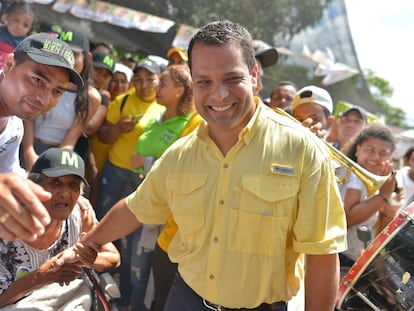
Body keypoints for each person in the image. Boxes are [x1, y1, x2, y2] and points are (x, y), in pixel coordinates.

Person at [74, 20, 347, 311]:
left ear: (255, 76)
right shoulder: (181, 154)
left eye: (232, 79)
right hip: (185, 300)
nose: (218, 95)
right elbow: (135, 207)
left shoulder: (302, 150)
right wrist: (86, 246)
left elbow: (322, 253)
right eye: (204, 82)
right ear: (193, 83)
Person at [0, 147, 120, 308]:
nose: (65, 193)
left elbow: (113, 258)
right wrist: (40, 276)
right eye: (56, 183)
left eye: (73, 185)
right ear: (34, 186)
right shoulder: (7, 224)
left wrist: (88, 259)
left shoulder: (80, 215)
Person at [129, 64, 203, 311]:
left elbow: (179, 167)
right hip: (136, 195)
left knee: (145, 269)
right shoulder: (157, 116)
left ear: (180, 90)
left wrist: (146, 162)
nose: (155, 88)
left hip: (162, 213)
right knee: (133, 261)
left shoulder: (191, 124)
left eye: (162, 84)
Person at [96, 58, 165, 311]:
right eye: (139, 79)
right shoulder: (123, 101)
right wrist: (116, 129)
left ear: (159, 80)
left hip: (142, 180)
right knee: (104, 221)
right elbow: (102, 135)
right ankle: (101, 271)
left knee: (131, 230)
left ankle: (122, 280)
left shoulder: (166, 105)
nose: (144, 84)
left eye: (150, 79)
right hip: (116, 171)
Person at [0, 32, 83, 241]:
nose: (44, 100)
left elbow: (9, 170)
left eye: (57, 91)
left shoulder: (14, 125)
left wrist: (61, 192)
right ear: (9, 65)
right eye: (37, 80)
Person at [21, 29, 99, 171]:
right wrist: (28, 152)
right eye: (62, 52)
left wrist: (50, 166)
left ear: (87, 57)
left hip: (55, 157)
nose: (67, 59)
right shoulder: (42, 80)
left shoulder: (91, 97)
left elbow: (70, 141)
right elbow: (28, 119)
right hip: (22, 145)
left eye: (74, 54)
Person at [339, 124, 402, 270]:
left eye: (383, 153)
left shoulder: (385, 183)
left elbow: (380, 232)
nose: (375, 157)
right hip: (339, 256)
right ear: (357, 149)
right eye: (370, 150)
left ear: (390, 158)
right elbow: (346, 220)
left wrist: (388, 210)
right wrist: (382, 197)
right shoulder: (353, 176)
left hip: (354, 262)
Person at [0, 1, 36, 68]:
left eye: (25, 25)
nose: (19, 27)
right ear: (7, 16)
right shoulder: (1, 31)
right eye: (16, 20)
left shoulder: (25, 44)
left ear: (30, 28)